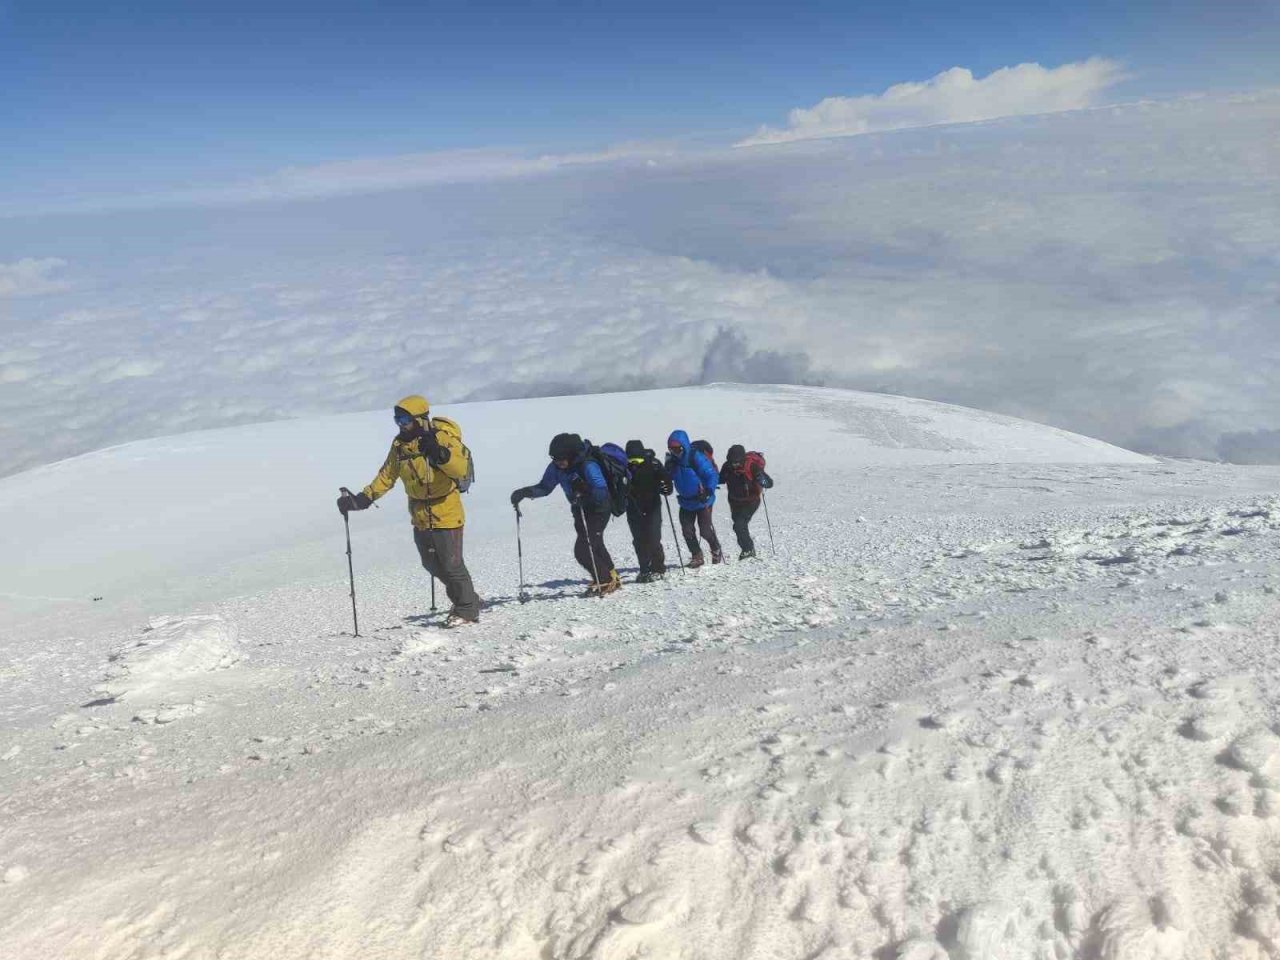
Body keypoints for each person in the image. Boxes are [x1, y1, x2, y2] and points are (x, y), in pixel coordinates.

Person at [337, 395, 481, 627]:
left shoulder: (441, 438)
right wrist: (363, 499)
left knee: (452, 565)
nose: (401, 425)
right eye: (397, 420)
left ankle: (466, 610)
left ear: (420, 419)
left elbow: (460, 468)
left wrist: (439, 453)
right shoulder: (399, 446)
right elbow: (387, 476)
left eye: (405, 420)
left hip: (446, 511)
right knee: (431, 564)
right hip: (420, 514)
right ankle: (469, 598)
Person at [510, 433, 621, 595]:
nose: (558, 462)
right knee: (594, 543)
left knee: (583, 550)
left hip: (598, 510)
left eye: (561, 459)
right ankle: (612, 576)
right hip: (579, 509)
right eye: (554, 459)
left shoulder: (588, 465)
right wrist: (524, 492)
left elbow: (602, 493)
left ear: (572, 455)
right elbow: (545, 487)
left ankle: (605, 580)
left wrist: (585, 490)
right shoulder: (556, 467)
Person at [666, 429, 722, 567]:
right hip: (685, 501)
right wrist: (665, 477)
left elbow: (711, 474)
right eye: (671, 449)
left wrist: (708, 490)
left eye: (677, 449)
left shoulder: (695, 457)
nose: (674, 452)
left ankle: (715, 548)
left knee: (705, 531)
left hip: (702, 500)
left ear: (684, 446)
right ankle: (697, 556)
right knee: (687, 531)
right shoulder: (672, 461)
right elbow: (668, 478)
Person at [624, 440, 672, 583]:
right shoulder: (624, 467)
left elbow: (667, 481)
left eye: (637, 460)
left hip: (653, 507)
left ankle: (658, 569)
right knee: (639, 540)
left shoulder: (654, 464)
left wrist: (666, 488)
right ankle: (644, 569)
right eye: (631, 460)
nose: (635, 464)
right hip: (633, 509)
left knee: (653, 539)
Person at [720, 444, 774, 559]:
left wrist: (762, 480)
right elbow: (720, 479)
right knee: (738, 526)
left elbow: (770, 483)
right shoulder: (727, 466)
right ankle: (747, 549)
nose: (734, 465)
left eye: (736, 462)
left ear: (742, 459)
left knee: (739, 525)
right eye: (732, 462)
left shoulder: (752, 466)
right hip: (734, 501)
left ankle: (748, 549)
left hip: (751, 501)